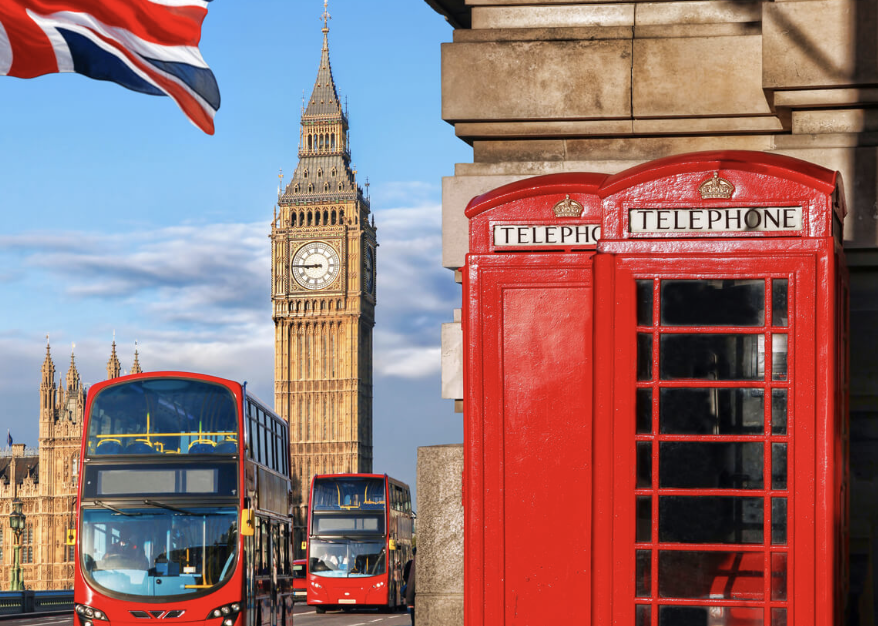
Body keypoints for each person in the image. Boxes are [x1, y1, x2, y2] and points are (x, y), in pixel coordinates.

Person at [405, 547, 416, 626]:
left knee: (414, 618)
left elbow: (409, 579)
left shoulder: (410, 563)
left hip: (414, 595)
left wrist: (409, 600)